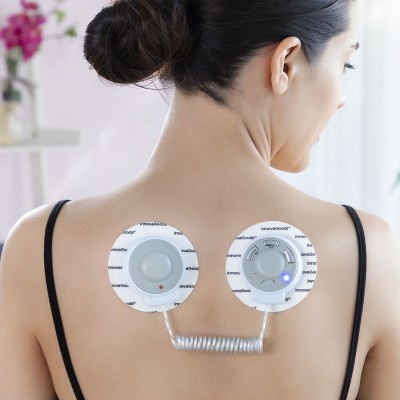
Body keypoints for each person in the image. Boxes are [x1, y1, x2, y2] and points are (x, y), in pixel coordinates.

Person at [0, 0, 399, 399]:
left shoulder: (39, 247)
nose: (342, 98)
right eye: (345, 64)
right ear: (286, 63)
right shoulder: (370, 254)